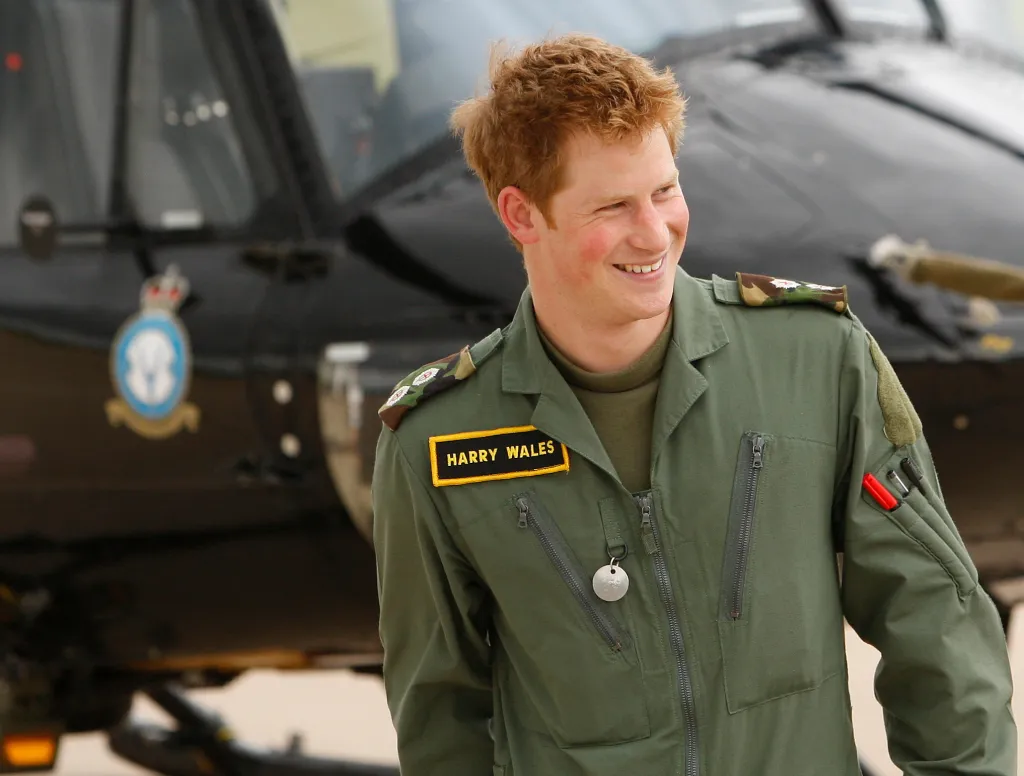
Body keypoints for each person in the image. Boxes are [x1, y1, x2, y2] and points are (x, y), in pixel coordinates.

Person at [370, 33, 1016, 776]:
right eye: (613, 205)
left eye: (665, 190)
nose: (654, 233)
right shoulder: (437, 440)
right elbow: (439, 717)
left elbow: (932, 617)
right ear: (521, 214)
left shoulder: (816, 361)